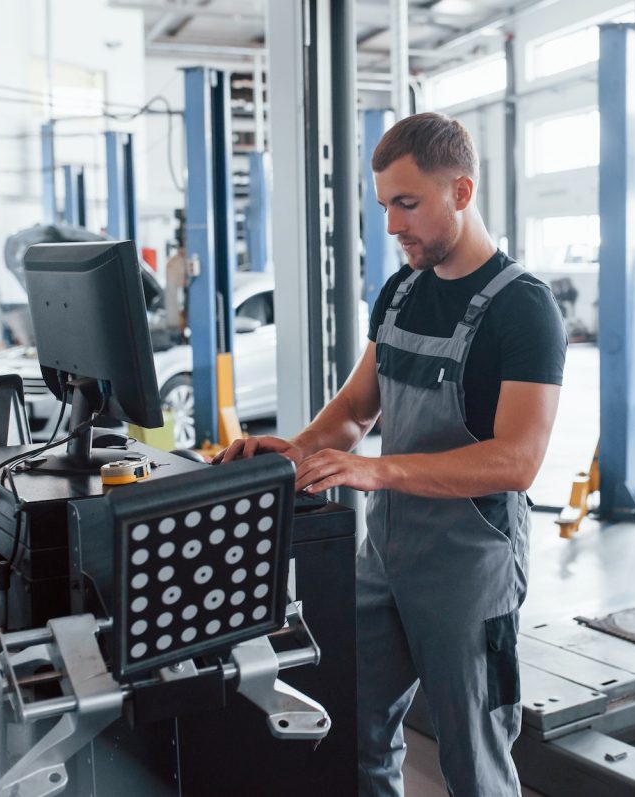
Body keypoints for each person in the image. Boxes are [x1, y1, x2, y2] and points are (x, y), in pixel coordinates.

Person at [214, 112, 566, 795]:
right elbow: (352, 413)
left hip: (470, 569)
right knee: (355, 734)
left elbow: (518, 460)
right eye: (384, 206)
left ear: (461, 193)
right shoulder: (402, 292)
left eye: (408, 203)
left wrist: (376, 470)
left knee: (474, 762)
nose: (393, 225)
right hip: (386, 558)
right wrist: (291, 451)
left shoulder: (522, 308)